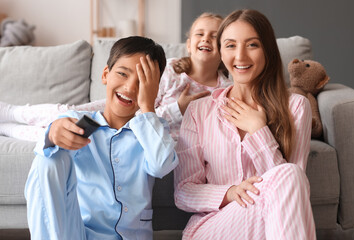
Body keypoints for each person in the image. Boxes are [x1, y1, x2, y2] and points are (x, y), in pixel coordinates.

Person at [174, 9, 316, 240]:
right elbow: (183, 192)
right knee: (290, 173)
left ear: (267, 50)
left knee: (291, 174)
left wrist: (259, 131)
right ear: (221, 51)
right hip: (212, 227)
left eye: (252, 45)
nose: (240, 56)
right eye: (230, 45)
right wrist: (230, 193)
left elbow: (295, 190)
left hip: (269, 224)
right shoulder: (199, 111)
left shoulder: (296, 107)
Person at [24, 36, 179, 240]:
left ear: (153, 91)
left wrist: (148, 108)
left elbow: (161, 165)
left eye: (142, 83)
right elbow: (49, 149)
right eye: (123, 74)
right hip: (78, 234)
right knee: (49, 157)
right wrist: (53, 133)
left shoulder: (152, 130)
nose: (130, 88)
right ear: (106, 74)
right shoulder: (77, 123)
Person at [0, 12, 232, 142]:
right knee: (68, 113)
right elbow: (142, 108)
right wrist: (177, 109)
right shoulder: (171, 70)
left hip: (146, 137)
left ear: (225, 48)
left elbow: (150, 126)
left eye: (214, 36)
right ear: (189, 44)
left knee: (69, 134)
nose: (206, 39)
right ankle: (10, 112)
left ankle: (8, 129)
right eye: (200, 34)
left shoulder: (223, 91)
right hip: (125, 110)